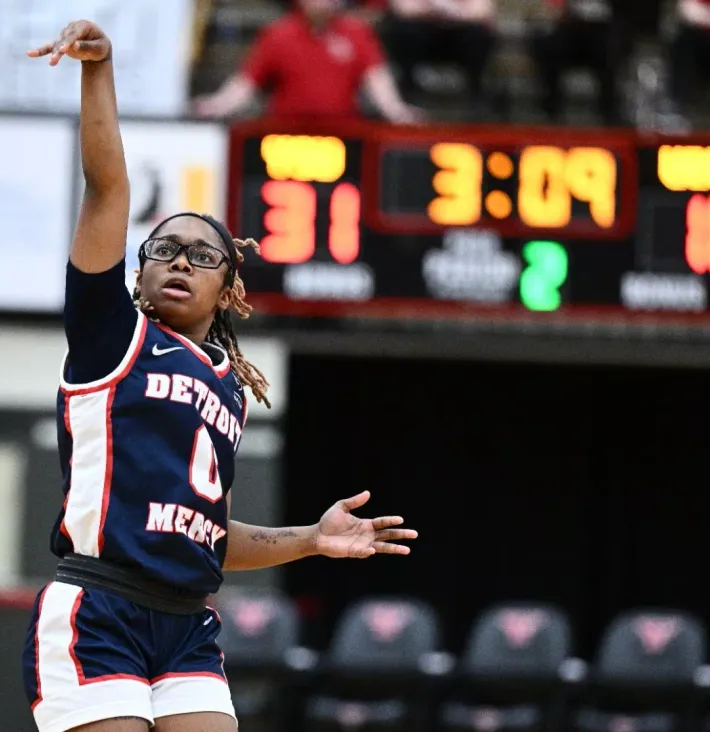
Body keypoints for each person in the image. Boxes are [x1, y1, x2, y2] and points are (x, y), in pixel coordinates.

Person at [23, 19, 419, 732]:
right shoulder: (111, 334)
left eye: (202, 255)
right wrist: (99, 67)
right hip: (98, 609)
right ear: (138, 273)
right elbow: (107, 189)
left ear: (230, 291)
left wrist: (309, 538)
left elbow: (207, 532)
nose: (180, 260)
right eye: (164, 249)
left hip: (187, 626)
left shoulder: (227, 387)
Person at [193, 0, 421, 123]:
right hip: (286, 140)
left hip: (343, 140)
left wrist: (396, 110)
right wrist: (219, 104)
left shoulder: (357, 33)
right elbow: (246, 82)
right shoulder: (278, 34)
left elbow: (377, 78)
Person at [380, 0, 497, 118]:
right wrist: (431, 11)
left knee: (479, 33)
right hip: (422, 31)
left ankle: (476, 89)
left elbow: (482, 11)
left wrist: (454, 13)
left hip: (460, 34)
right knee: (402, 29)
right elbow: (403, 8)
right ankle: (407, 87)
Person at [528, 0, 627, 125]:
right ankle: (550, 111)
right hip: (571, 32)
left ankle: (610, 113)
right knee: (550, 51)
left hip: (600, 35)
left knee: (609, 56)